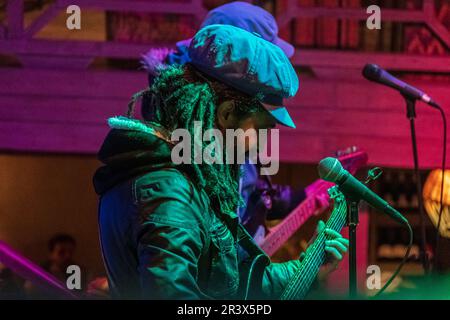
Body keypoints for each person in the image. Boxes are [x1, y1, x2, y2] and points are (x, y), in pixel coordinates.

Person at [94, 24, 348, 299]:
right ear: (227, 115)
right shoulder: (169, 195)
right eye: (262, 128)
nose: (264, 144)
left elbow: (232, 282)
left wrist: (306, 269)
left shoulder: (187, 179)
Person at [140, 1, 330, 241]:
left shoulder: (221, 127)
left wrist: (304, 198)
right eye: (266, 56)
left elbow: (247, 192)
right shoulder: (181, 166)